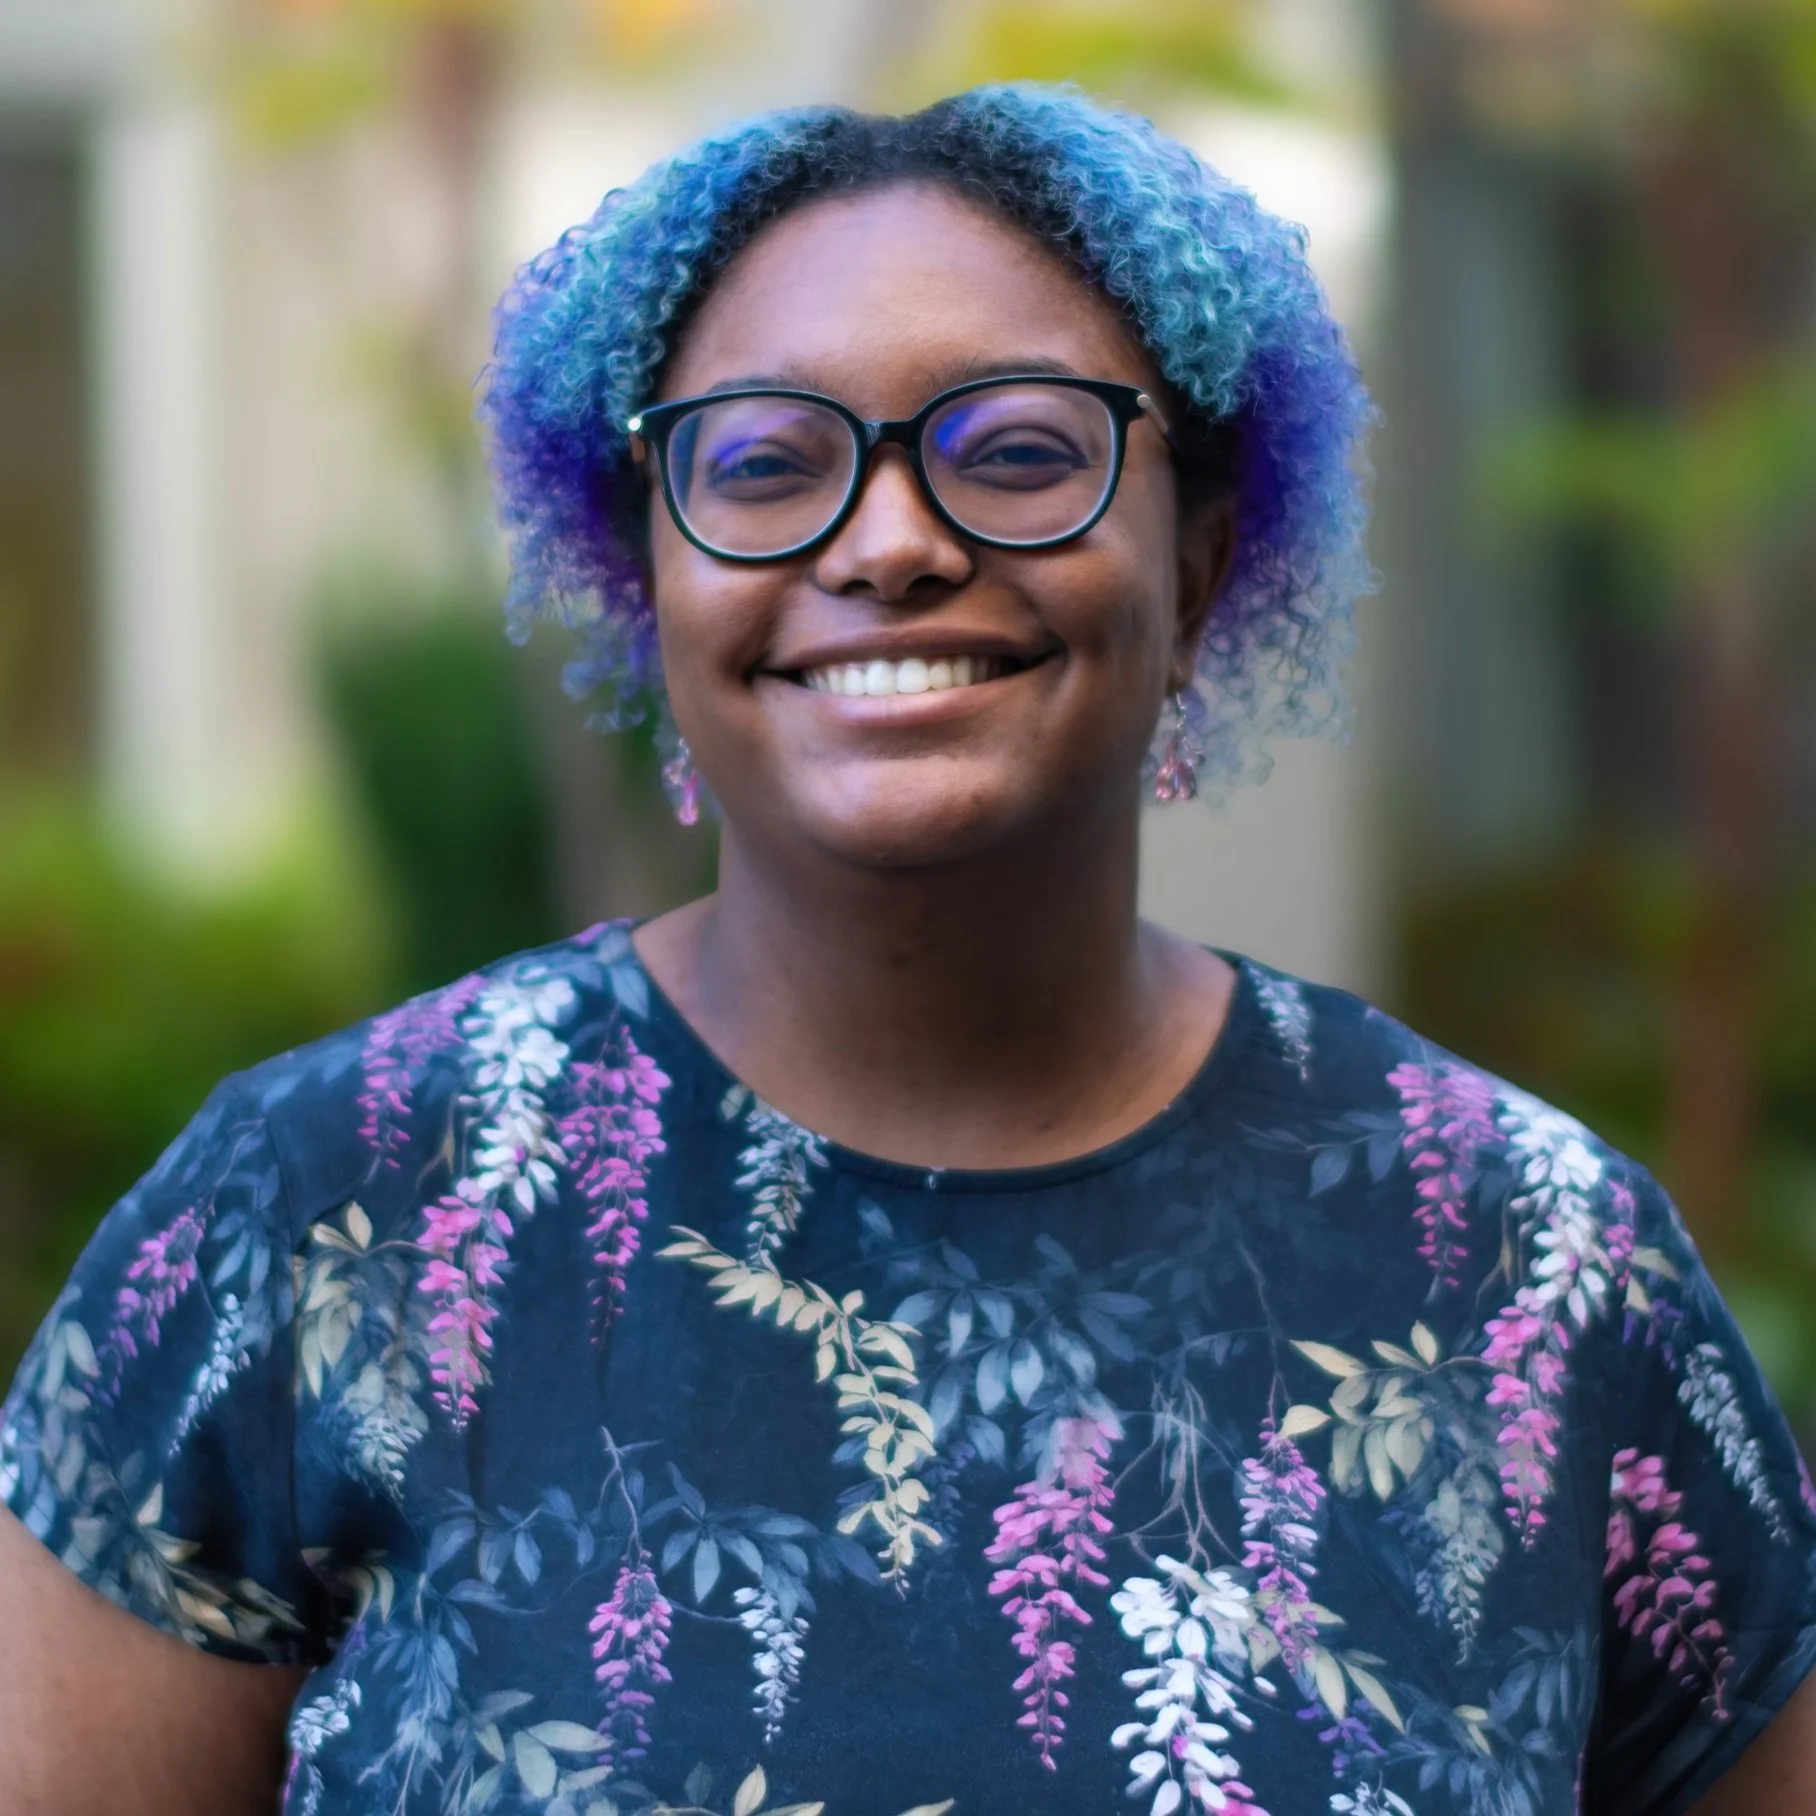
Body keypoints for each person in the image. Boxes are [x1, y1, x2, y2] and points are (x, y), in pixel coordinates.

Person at [1, 85, 1811, 1816]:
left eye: (1018, 453)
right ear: (651, 578)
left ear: (1198, 566)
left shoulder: (1530, 1259)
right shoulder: (324, 1210)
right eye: (763, 463)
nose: (887, 543)